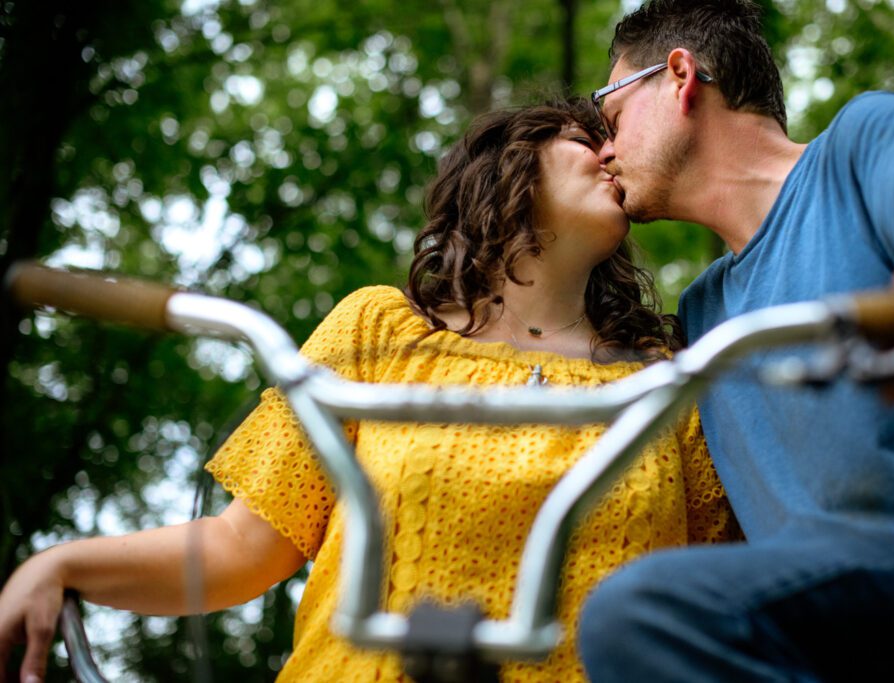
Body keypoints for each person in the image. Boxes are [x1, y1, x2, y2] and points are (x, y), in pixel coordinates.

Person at [0, 99, 740, 683]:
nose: (614, 154)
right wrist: (61, 563)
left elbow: (723, 593)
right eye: (588, 138)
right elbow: (240, 547)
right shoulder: (377, 331)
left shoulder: (666, 374)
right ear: (509, 167)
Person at [576, 1, 894, 681]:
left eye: (610, 118)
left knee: (642, 609)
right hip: (820, 634)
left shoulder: (853, 156)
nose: (603, 151)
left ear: (679, 75)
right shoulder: (702, 312)